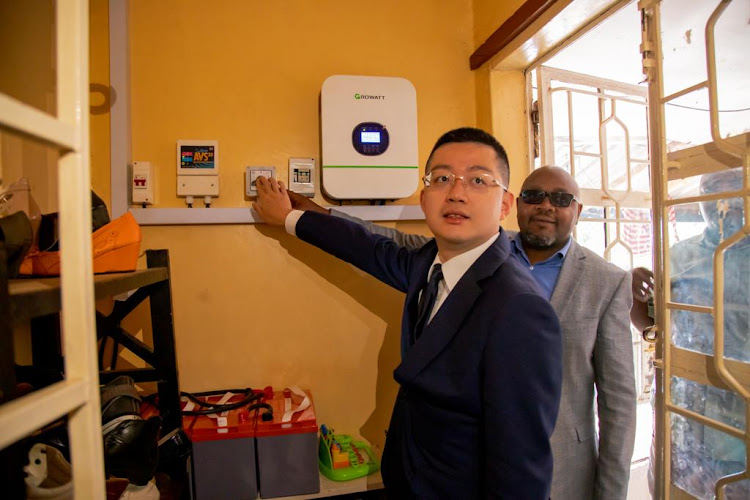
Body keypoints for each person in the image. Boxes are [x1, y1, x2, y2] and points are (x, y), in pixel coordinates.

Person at [288, 165, 637, 499]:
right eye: (534, 195)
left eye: (561, 199)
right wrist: (317, 215)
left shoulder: (607, 282)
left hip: (562, 472)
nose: (546, 206)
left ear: (578, 210)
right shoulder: (476, 251)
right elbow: (391, 242)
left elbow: (617, 405)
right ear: (513, 203)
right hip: (465, 467)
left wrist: (610, 493)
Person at [253, 127, 563, 499]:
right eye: (442, 178)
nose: (457, 192)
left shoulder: (519, 307)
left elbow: (521, 468)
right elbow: (365, 247)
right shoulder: (427, 263)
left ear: (505, 204)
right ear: (424, 196)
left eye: (479, 180)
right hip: (408, 478)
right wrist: (292, 216)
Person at [632, 167, 749, 499]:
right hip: (684, 417)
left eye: (732, 188)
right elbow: (651, 325)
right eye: (711, 188)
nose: (721, 200)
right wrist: (634, 293)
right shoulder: (679, 257)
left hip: (741, 426)